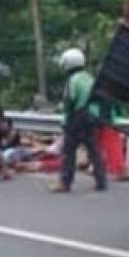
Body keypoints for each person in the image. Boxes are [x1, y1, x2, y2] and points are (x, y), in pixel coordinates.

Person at [52, 48, 107, 193]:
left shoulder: (72, 80)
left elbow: (69, 102)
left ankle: (65, 182)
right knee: (94, 150)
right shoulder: (89, 77)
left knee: (69, 151)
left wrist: (66, 122)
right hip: (92, 116)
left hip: (78, 117)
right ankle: (101, 180)